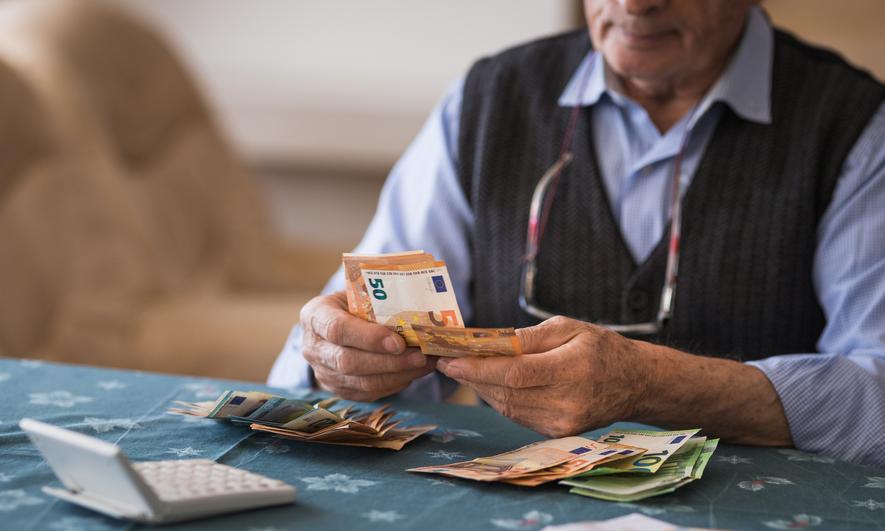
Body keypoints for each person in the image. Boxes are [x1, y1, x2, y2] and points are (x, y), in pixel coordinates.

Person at [269, 0, 885, 467]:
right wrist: (338, 360)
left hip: (755, 512)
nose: (637, 2)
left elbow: (877, 387)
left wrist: (652, 384)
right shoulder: (491, 100)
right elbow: (357, 326)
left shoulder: (854, 127)